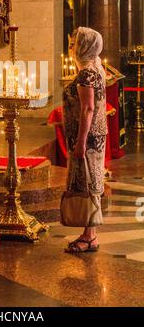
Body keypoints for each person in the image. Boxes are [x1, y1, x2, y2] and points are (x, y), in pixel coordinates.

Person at [62, 26, 107, 253]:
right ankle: (91, 234)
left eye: (73, 44)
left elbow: (88, 109)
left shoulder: (86, 73)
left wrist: (80, 142)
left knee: (87, 182)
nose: (70, 48)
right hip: (94, 135)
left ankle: (89, 236)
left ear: (84, 46)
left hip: (87, 137)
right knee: (92, 180)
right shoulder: (95, 67)